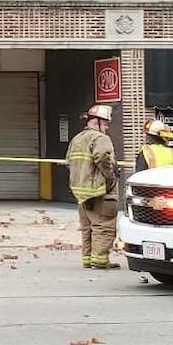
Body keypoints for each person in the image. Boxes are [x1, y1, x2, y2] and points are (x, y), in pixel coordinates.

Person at [65, 103, 120, 270]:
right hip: (100, 191)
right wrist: (110, 177)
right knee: (104, 226)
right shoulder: (100, 138)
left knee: (87, 227)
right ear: (96, 122)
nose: (108, 127)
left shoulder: (77, 138)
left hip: (82, 192)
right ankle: (100, 261)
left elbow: (68, 162)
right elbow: (103, 157)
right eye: (106, 123)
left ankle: (88, 259)